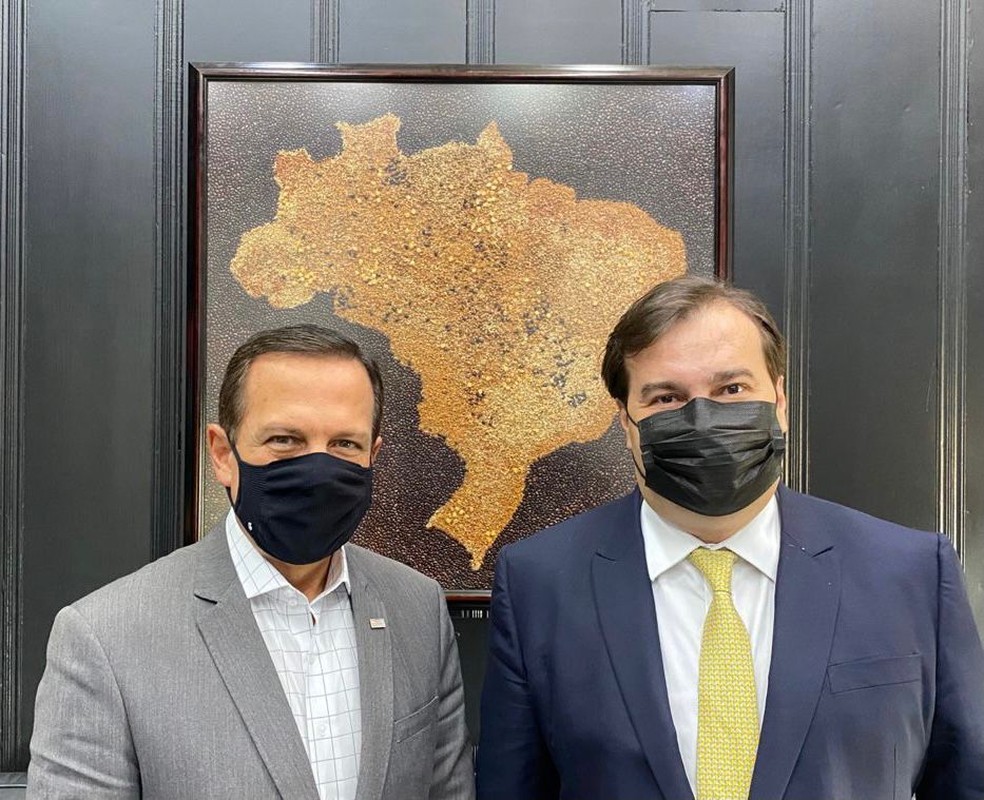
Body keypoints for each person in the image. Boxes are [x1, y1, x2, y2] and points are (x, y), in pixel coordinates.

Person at [476, 276, 984, 800]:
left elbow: (966, 780)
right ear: (627, 423)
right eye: (666, 397)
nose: (703, 418)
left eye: (732, 389)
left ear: (780, 401)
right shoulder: (540, 582)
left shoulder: (910, 573)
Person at [28, 324, 475, 800]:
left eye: (345, 444)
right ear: (223, 454)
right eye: (285, 440)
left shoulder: (417, 608)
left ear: (372, 455)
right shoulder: (105, 636)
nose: (317, 469)